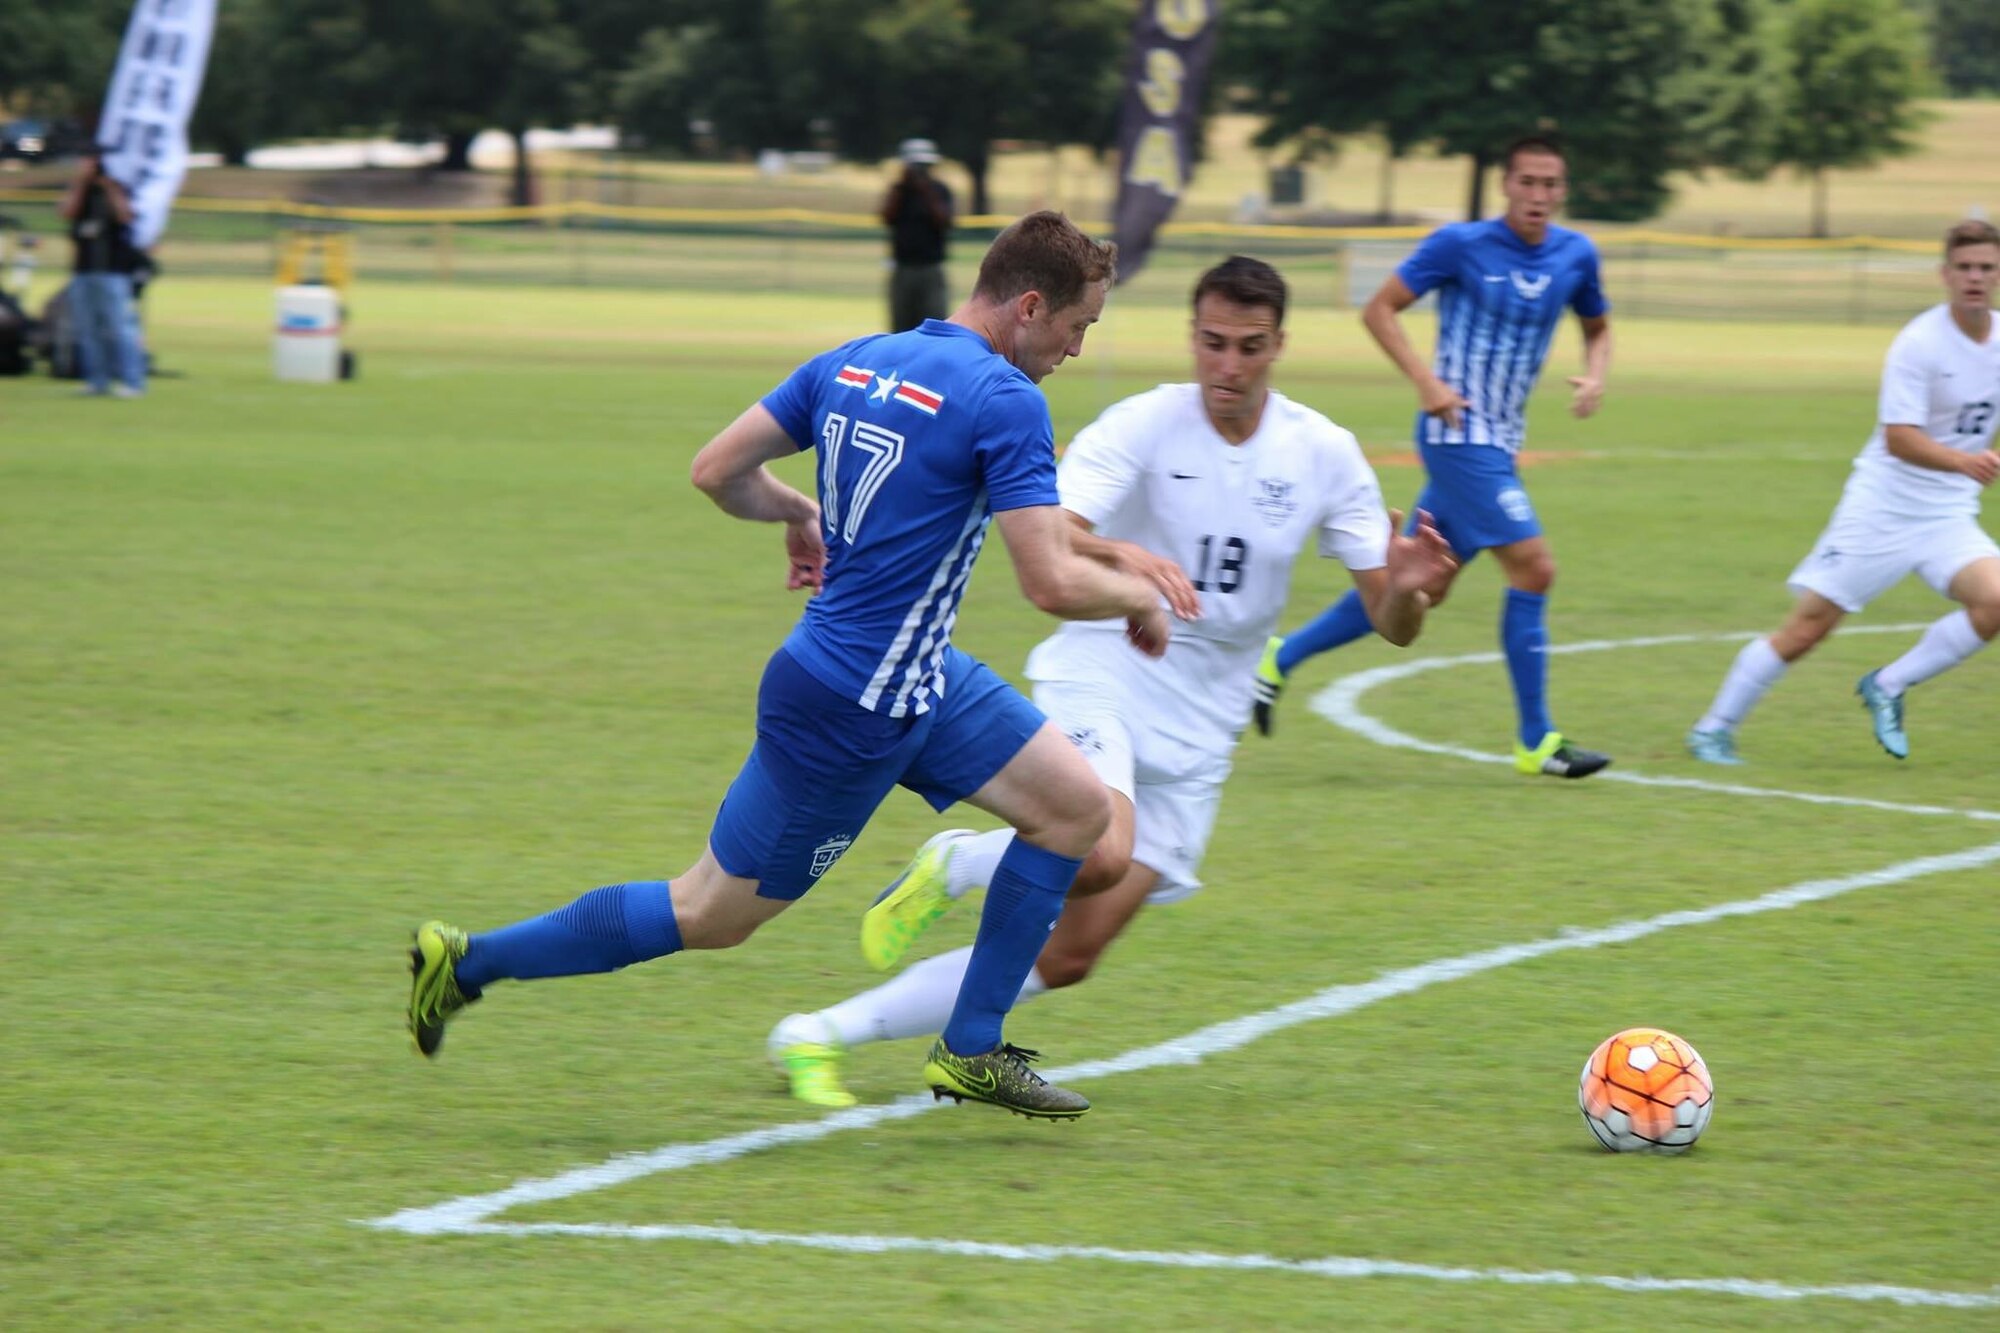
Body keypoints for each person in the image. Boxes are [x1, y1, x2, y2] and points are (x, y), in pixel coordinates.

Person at [407, 211, 1175, 1120]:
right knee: (710, 913)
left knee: (1078, 811)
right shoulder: (1007, 400)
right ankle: (467, 961)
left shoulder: (854, 360)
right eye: (1078, 327)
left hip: (916, 674)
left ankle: (972, 1048)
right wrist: (1137, 596)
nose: (1077, 350)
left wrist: (794, 511)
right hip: (850, 705)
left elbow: (716, 470)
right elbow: (1048, 580)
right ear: (1031, 305)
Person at [766, 256, 1457, 1109]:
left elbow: (1388, 622)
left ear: (1279, 345)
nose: (1227, 367)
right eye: (1211, 343)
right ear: (1192, 338)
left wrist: (1415, 590)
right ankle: (962, 861)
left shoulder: (1324, 453)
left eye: (1248, 347)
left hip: (1205, 727)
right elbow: (1054, 526)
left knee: (1068, 956)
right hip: (1109, 670)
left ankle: (820, 1032)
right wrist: (1123, 558)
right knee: (1097, 848)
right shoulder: (1145, 425)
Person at [1251, 136, 1613, 779]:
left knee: (1417, 586)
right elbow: (1380, 309)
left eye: (1550, 184)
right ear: (1506, 184)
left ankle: (1279, 657)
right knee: (1535, 569)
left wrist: (1595, 375)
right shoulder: (1460, 245)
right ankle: (1537, 740)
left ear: (1563, 190)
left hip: (1500, 443)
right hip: (1457, 435)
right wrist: (1426, 382)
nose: (1538, 195)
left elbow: (1598, 325)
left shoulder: (1576, 254)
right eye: (1527, 181)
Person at [1687, 220, 2000, 764]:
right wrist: (1963, 461)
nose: (1975, 277)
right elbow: (1898, 439)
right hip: (1883, 508)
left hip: (1947, 513)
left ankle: (1890, 684)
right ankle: (1714, 727)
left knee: (1996, 601)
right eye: (1965, 267)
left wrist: (1971, 464)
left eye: (1986, 267)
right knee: (1808, 629)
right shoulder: (1920, 343)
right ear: (1944, 274)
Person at [58, 151, 145, 398]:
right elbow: (66, 212)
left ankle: (132, 381)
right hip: (83, 270)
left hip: (113, 272)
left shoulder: (118, 189)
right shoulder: (80, 192)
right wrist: (80, 182)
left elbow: (125, 216)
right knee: (87, 329)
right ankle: (97, 380)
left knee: (120, 327)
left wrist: (110, 186)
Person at [881, 138, 953, 332]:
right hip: (903, 267)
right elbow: (886, 217)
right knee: (901, 325)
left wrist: (926, 191)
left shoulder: (939, 190)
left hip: (930, 267)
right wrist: (902, 188)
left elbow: (945, 221)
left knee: (935, 324)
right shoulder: (898, 191)